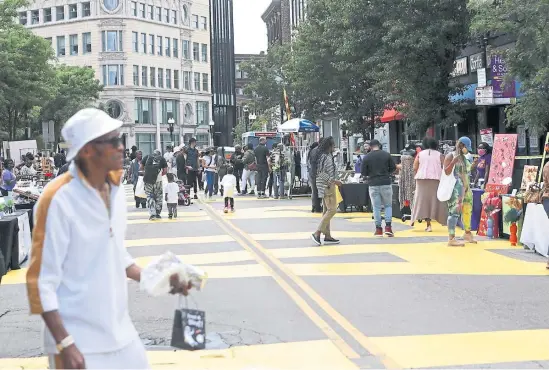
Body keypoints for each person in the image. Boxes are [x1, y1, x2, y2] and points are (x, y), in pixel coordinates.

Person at [25, 108, 191, 370]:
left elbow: (115, 254)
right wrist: (64, 343)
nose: (122, 148)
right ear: (88, 150)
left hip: (120, 332)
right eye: (113, 142)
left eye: (120, 140)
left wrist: (161, 279)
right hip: (77, 338)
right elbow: (41, 281)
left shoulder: (113, 189)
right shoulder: (57, 199)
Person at [443, 136, 476, 246]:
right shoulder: (450, 156)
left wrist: (472, 166)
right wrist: (453, 162)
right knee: (454, 212)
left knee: (467, 210)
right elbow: (446, 172)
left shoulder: (464, 158)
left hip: (466, 188)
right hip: (456, 189)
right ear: (461, 145)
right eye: (466, 147)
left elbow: (465, 171)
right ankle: (451, 238)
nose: (466, 150)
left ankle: (467, 232)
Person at [410, 137, 447, 231]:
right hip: (436, 180)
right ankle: (442, 220)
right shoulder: (440, 155)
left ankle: (421, 221)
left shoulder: (420, 154)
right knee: (434, 202)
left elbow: (414, 167)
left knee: (420, 201)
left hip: (421, 179)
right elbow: (446, 167)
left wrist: (417, 175)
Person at [361, 139, 396, 237]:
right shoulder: (386, 155)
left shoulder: (367, 157)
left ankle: (378, 229)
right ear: (379, 145)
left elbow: (363, 173)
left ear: (371, 147)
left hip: (373, 183)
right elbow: (393, 168)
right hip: (385, 182)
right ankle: (388, 227)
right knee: (388, 205)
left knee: (376, 207)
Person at [311, 137, 341, 246]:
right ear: (329, 146)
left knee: (326, 210)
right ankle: (317, 232)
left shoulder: (323, 156)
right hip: (327, 186)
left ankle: (327, 235)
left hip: (325, 185)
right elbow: (321, 173)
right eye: (333, 145)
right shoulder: (326, 157)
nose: (334, 147)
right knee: (332, 210)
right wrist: (333, 181)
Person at [143, 149, 168, 220]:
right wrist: (158, 175)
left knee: (149, 196)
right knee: (158, 196)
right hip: (158, 180)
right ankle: (158, 213)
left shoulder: (147, 157)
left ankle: (152, 214)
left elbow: (141, 167)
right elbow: (165, 171)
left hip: (148, 181)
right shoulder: (162, 159)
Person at [307, 140, 322, 213]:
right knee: (317, 190)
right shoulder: (317, 151)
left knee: (314, 190)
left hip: (312, 172)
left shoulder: (311, 151)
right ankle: (317, 207)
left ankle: (314, 206)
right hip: (316, 173)